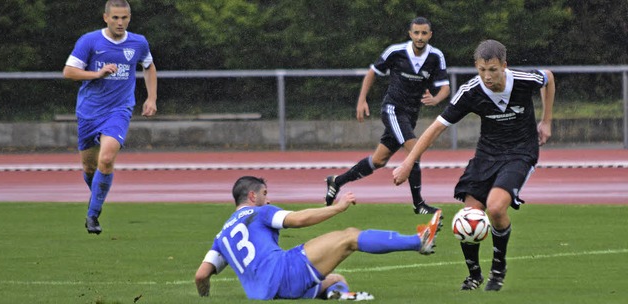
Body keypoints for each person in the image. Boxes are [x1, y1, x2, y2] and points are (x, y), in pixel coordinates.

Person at [392, 39, 555, 291]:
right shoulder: (471, 91)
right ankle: (474, 275)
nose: (487, 76)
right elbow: (436, 128)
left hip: (521, 152)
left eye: (493, 70)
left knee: (496, 208)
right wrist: (407, 163)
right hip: (487, 155)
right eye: (481, 70)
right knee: (469, 215)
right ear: (476, 67)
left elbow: (549, 78)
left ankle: (498, 269)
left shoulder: (524, 80)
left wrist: (546, 121)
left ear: (504, 65)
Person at [195, 176, 442, 300]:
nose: (268, 199)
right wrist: (338, 207)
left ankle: (340, 295)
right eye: (265, 194)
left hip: (265, 293)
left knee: (335, 278)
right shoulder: (259, 212)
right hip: (283, 273)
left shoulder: (222, 234)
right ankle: (419, 241)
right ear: (252, 196)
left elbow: (201, 275)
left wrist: (204, 298)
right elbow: (299, 219)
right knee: (349, 237)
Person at [324, 17, 450, 216]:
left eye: (424, 33)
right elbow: (372, 72)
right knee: (415, 151)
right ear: (410, 34)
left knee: (379, 160)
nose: (420, 37)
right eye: (416, 33)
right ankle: (419, 204)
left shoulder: (436, 56)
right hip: (392, 109)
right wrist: (362, 100)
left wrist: (435, 99)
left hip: (410, 115)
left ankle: (336, 181)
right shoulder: (396, 52)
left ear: (430, 35)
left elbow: (445, 88)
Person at [63, 0, 158, 234]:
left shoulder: (138, 42)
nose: (120, 22)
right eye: (115, 17)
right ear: (106, 18)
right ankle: (97, 199)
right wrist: (97, 73)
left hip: (119, 110)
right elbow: (69, 71)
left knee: (106, 159)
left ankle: (92, 215)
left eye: (124, 18)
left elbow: (149, 66)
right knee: (89, 168)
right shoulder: (90, 41)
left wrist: (151, 98)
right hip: (89, 112)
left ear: (130, 18)